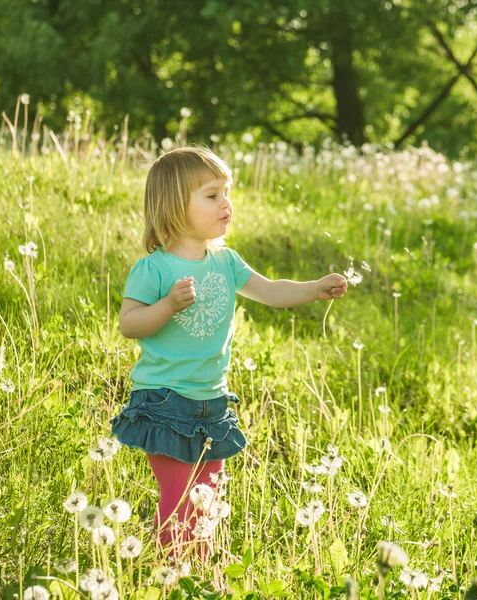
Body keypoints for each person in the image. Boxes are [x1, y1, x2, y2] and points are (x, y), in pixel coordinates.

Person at [110, 146, 347, 561]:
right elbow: (129, 323)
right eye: (212, 194)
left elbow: (270, 290)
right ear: (174, 206)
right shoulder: (155, 269)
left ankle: (197, 575)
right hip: (164, 400)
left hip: (212, 402)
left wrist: (313, 288)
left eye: (227, 192)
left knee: (206, 498)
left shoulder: (225, 260)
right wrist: (167, 306)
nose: (226, 203)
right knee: (179, 498)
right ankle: (173, 576)